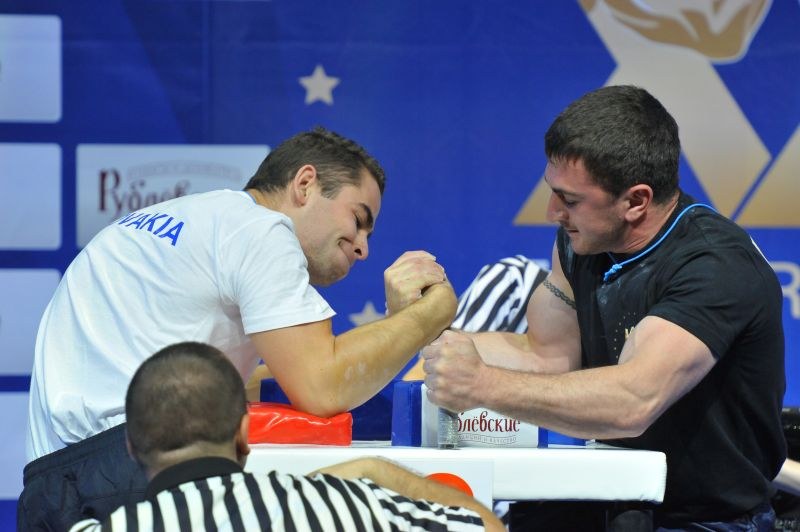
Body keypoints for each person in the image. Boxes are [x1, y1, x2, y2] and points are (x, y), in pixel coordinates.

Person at [21, 127, 457, 530]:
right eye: (358, 218)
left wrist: (390, 332)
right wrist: (428, 315)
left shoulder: (188, 220)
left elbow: (249, 384)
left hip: (51, 489)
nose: (363, 246)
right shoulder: (261, 230)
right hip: (131, 475)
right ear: (304, 184)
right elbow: (323, 386)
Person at [422, 85, 786, 530]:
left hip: (703, 518)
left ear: (636, 201)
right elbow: (548, 356)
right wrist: (420, 331)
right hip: (601, 495)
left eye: (571, 200)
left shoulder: (716, 265)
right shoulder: (580, 241)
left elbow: (632, 402)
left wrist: (480, 384)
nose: (553, 212)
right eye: (553, 192)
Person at [68, 341, 502, 532]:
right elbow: (485, 527)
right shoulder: (343, 505)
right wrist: (377, 471)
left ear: (130, 444)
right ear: (243, 431)